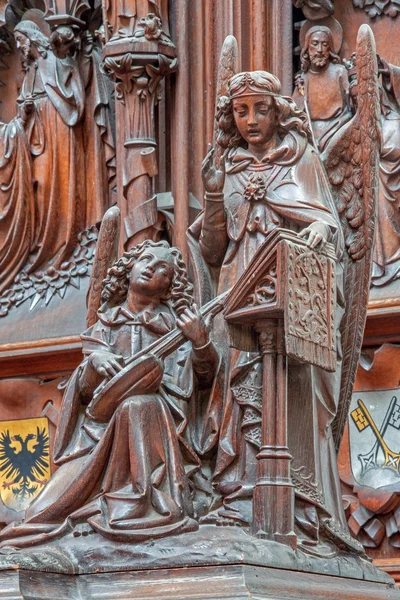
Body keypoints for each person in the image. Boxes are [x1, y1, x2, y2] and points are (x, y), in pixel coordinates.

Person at [199, 70, 351, 554]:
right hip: (238, 288)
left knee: (293, 385)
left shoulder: (299, 156)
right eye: (240, 112)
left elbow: (325, 219)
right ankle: (242, 495)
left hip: (291, 289)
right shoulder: (230, 166)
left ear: (277, 111)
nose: (250, 121)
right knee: (239, 385)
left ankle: (301, 510)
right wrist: (212, 194)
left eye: (260, 109)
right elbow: (212, 249)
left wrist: (320, 231)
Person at [0, 240, 219, 546]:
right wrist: (93, 364)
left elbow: (206, 379)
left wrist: (200, 342)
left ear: (169, 286)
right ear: (129, 268)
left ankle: (139, 505)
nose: (151, 269)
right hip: (97, 438)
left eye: (163, 270)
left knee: (138, 405)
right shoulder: (103, 327)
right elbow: (88, 394)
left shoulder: (175, 326)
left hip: (159, 430)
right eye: (146, 260)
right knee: (41, 512)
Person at [293, 25, 352, 151]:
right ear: (307, 48)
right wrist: (299, 91)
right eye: (315, 44)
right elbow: (294, 112)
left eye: (324, 44)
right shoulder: (304, 78)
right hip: (311, 133)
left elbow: (352, 103)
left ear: (330, 48)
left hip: (337, 128)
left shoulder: (339, 72)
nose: (319, 50)